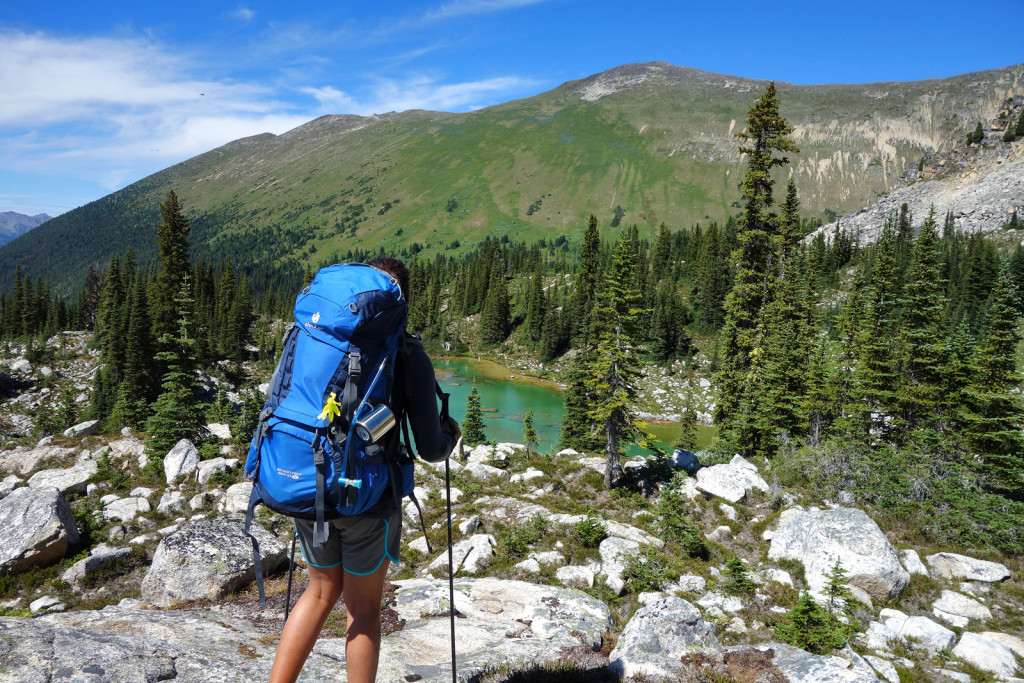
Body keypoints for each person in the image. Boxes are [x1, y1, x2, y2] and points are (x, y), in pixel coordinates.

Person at [269, 257, 460, 683]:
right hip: (367, 500)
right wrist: (451, 437)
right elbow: (431, 448)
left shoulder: (314, 337)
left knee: (318, 592)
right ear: (400, 302)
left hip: (307, 484)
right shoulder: (407, 356)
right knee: (364, 611)